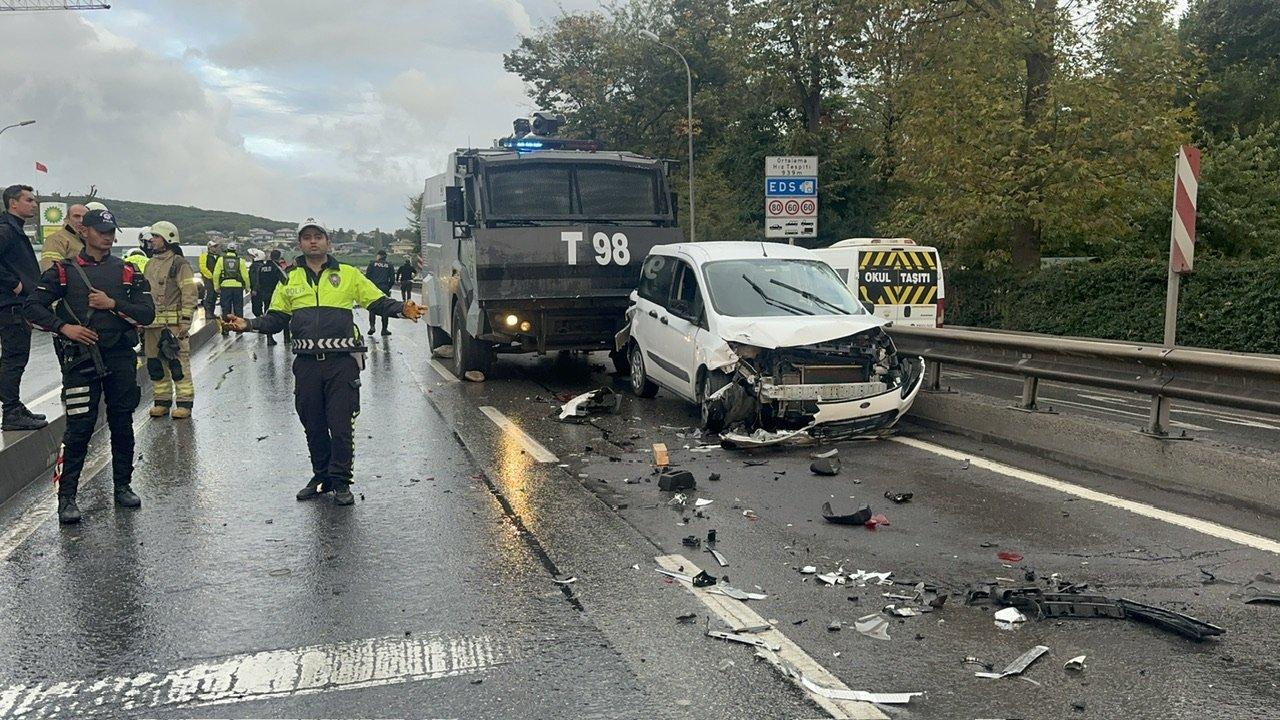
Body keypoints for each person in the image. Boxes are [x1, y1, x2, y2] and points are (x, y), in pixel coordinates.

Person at [224, 218, 421, 506]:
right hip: (306, 365)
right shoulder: (289, 279)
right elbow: (277, 318)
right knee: (313, 424)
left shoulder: (349, 274)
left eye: (318, 236)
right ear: (300, 244)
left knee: (340, 424)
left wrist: (403, 308)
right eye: (307, 237)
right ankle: (322, 476)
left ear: (328, 242)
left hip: (341, 363)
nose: (312, 241)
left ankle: (341, 481)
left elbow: (376, 302)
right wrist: (249, 324)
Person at [25, 209, 155, 524]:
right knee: (79, 429)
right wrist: (64, 328)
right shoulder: (62, 272)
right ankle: (67, 498)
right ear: (85, 232)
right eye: (101, 231)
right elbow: (32, 307)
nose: (108, 236)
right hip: (80, 361)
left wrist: (114, 304)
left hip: (120, 358)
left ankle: (122, 486)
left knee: (122, 423)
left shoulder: (128, 271)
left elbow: (147, 314)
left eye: (112, 231)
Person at [0, 185, 48, 431]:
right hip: (11, 304)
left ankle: (14, 405)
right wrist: (14, 284)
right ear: (13, 203)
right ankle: (11, 412)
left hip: (17, 304)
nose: (34, 204)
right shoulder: (6, 230)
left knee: (15, 357)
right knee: (15, 357)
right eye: (29, 200)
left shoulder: (15, 229)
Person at [142, 221, 196, 418]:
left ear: (168, 239)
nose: (152, 240)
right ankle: (162, 401)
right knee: (155, 365)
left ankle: (184, 403)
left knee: (178, 365)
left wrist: (186, 321)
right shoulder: (150, 264)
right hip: (151, 326)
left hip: (173, 326)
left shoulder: (179, 264)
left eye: (156, 237)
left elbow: (189, 293)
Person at [252, 248, 289, 346]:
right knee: (284, 314)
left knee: (267, 315)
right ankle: (287, 338)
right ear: (279, 257)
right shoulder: (277, 267)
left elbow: (258, 281)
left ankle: (269, 337)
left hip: (265, 294)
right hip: (276, 294)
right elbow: (285, 280)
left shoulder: (262, 267)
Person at [39, 203, 88, 271]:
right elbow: (50, 270)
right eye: (76, 216)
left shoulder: (88, 239)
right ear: (67, 218)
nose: (81, 220)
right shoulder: (56, 239)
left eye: (85, 217)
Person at [212, 243, 250, 319]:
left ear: (227, 250)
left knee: (225, 308)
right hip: (238, 287)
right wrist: (247, 287)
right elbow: (245, 276)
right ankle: (239, 327)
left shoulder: (221, 260)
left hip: (225, 287)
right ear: (235, 251)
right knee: (238, 308)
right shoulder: (240, 261)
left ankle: (226, 327)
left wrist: (216, 286)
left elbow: (216, 274)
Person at [364, 250, 395, 336]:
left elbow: (367, 277)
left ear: (378, 256)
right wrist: (388, 287)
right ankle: (384, 329)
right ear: (385, 256)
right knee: (385, 309)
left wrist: (370, 287)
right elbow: (392, 279)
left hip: (373, 288)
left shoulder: (372, 264)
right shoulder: (389, 265)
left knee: (372, 307)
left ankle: (372, 326)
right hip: (384, 288)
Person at [199, 240, 220, 318]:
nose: (215, 248)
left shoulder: (218, 256)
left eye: (216, 247)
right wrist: (211, 276)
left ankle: (212, 312)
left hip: (216, 280)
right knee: (209, 295)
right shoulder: (204, 255)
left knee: (214, 296)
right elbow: (203, 267)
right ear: (209, 247)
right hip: (208, 279)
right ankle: (207, 313)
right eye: (214, 246)